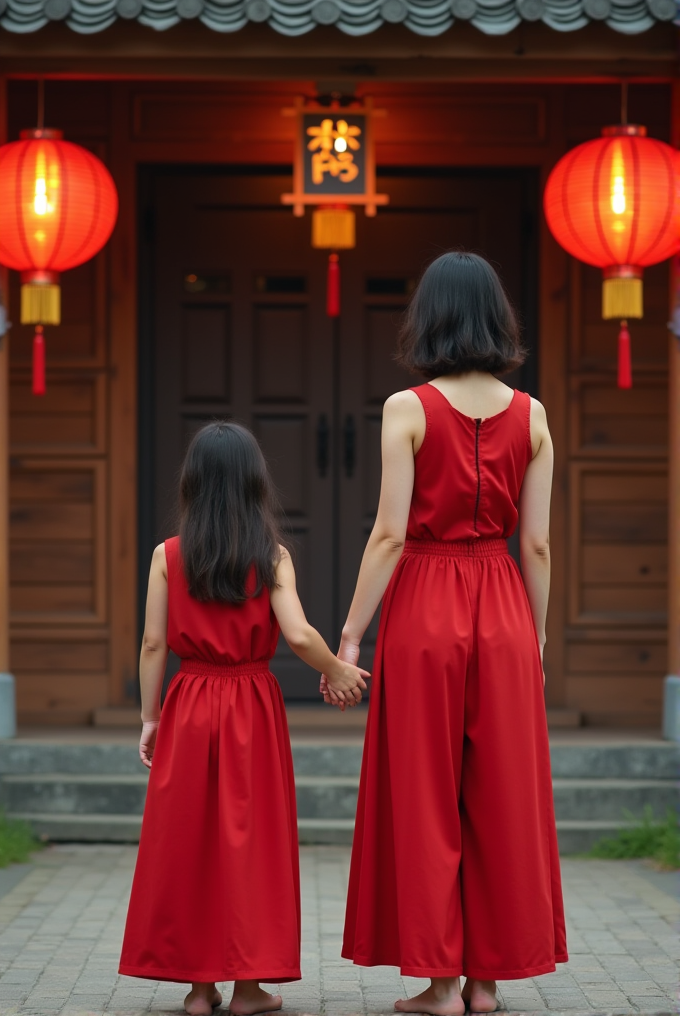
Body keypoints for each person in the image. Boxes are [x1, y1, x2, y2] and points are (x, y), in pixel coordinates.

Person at [326, 252, 568, 1015]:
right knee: (499, 793)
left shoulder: (407, 407)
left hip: (424, 604)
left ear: (428, 317)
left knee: (425, 793)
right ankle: (487, 982)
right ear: (498, 318)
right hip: (501, 603)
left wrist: (352, 635)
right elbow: (536, 544)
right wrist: (534, 637)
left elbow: (389, 536)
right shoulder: (531, 415)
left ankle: (439, 984)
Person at [119, 421, 368, 1016]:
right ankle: (248, 988)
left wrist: (150, 717)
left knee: (188, 840)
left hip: (189, 701)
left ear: (193, 482)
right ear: (256, 483)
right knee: (249, 844)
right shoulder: (271, 555)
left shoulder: (168, 555)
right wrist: (338, 670)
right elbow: (299, 633)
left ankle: (198, 987)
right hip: (250, 706)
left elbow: (154, 645)